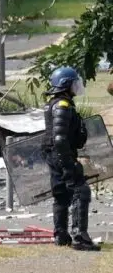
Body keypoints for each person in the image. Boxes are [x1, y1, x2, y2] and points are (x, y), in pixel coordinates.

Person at [42, 66, 100, 251]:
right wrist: (69, 164)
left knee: (61, 195)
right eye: (74, 83)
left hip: (54, 155)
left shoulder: (55, 103)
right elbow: (59, 138)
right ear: (66, 85)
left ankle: (61, 236)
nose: (77, 87)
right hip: (62, 155)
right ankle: (79, 237)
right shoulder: (63, 106)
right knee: (80, 191)